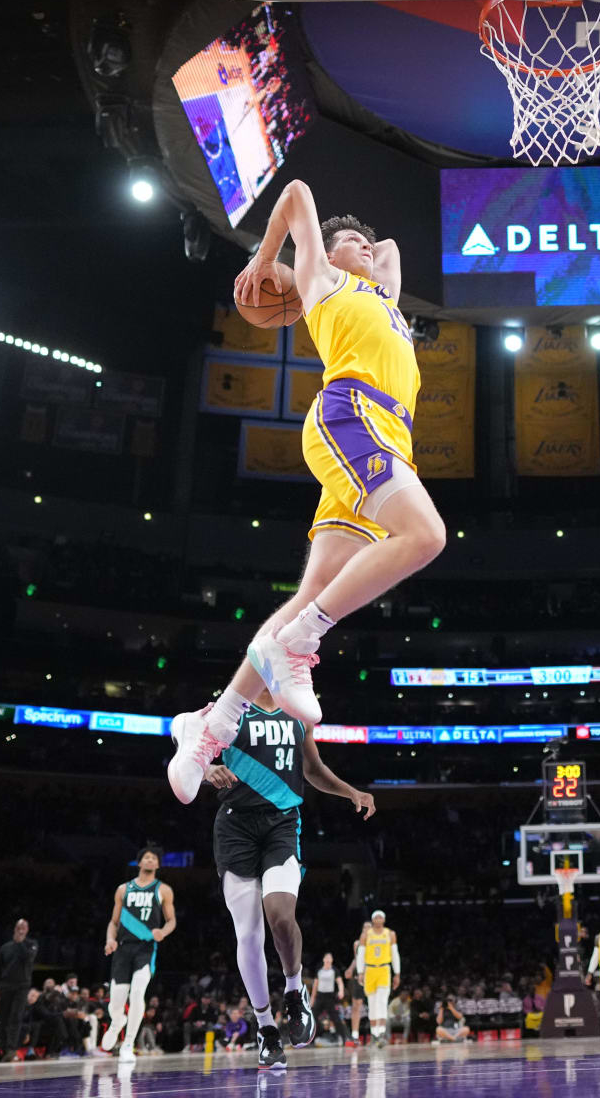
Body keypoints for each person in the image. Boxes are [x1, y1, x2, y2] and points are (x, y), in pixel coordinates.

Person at [168, 180, 445, 803]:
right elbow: (294, 193)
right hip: (352, 417)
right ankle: (300, 640)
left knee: (313, 592)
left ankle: (211, 726)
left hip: (387, 437)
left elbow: (393, 247)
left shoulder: (382, 293)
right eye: (353, 241)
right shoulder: (323, 281)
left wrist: (365, 247)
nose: (367, 248)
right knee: (426, 535)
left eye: (366, 243)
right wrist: (269, 261)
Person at [195, 688, 375, 1069]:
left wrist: (349, 791)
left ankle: (295, 992)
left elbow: (311, 770)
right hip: (234, 828)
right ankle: (265, 1029)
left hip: (281, 823)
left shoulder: (300, 710)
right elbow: (189, 748)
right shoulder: (230, 703)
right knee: (248, 933)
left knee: (280, 915)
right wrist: (207, 768)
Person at [99, 847, 176, 1061]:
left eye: (154, 858)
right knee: (116, 1000)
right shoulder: (123, 890)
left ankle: (128, 1043)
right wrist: (109, 940)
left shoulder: (163, 890)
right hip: (123, 948)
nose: (150, 860)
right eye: (146, 857)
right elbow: (113, 923)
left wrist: (163, 932)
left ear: (158, 865)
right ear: (139, 863)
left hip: (146, 947)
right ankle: (117, 1021)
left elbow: (172, 921)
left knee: (137, 993)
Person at [0, 919, 37, 1059]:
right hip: (5, 986)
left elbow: (28, 958)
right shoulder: (5, 947)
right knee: (3, 1018)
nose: (21, 929)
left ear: (27, 929)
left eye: (23, 927)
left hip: (22, 987)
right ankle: (3, 1048)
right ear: (14, 928)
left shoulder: (31, 945)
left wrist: (20, 942)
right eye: (19, 926)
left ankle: (11, 1049)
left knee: (15, 1017)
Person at [359, 910, 400, 1047]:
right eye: (375, 917)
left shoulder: (390, 934)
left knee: (382, 1001)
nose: (378, 919)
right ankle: (374, 1034)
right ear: (372, 920)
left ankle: (381, 1033)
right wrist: (360, 972)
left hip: (384, 969)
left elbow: (395, 954)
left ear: (383, 920)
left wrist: (397, 973)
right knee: (372, 1003)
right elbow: (361, 955)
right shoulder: (365, 935)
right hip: (370, 969)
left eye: (380, 917)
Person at [309, 953, 349, 1045]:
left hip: (330, 997)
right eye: (326, 958)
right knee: (313, 1017)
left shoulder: (334, 970)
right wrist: (312, 999)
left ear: (331, 960)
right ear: (323, 960)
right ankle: (309, 1039)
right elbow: (315, 986)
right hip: (320, 996)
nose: (327, 960)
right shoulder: (319, 971)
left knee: (336, 1018)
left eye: (329, 958)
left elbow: (340, 982)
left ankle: (344, 1038)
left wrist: (341, 991)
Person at [346, 922, 372, 1045]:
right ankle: (355, 1035)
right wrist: (350, 969)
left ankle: (376, 1034)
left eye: (368, 927)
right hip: (359, 978)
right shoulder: (357, 944)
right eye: (364, 927)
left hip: (372, 977)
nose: (366, 929)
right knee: (356, 1006)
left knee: (374, 1007)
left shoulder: (375, 942)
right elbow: (356, 959)